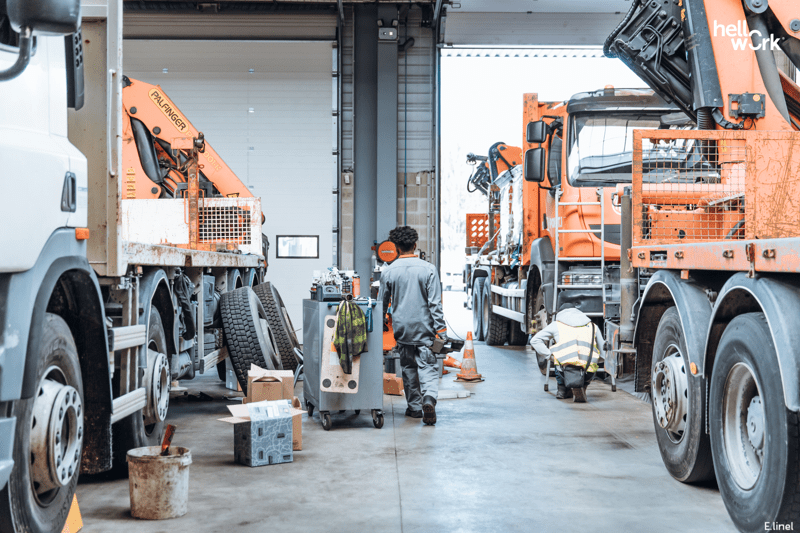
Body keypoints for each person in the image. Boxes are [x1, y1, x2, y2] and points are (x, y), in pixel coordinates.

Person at [378, 226, 447, 425]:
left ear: (396, 248)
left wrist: (381, 322)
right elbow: (435, 303)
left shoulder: (389, 271)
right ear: (415, 246)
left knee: (408, 367)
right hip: (425, 330)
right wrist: (441, 330)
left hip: (403, 329)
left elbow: (382, 302)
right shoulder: (429, 269)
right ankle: (429, 399)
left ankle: (415, 408)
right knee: (428, 366)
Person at [530, 303, 604, 402]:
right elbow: (603, 348)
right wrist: (597, 360)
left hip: (564, 370)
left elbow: (534, 340)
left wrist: (550, 356)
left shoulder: (556, 325)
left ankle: (562, 390)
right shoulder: (593, 326)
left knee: (558, 356)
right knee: (591, 361)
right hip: (587, 370)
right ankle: (583, 385)